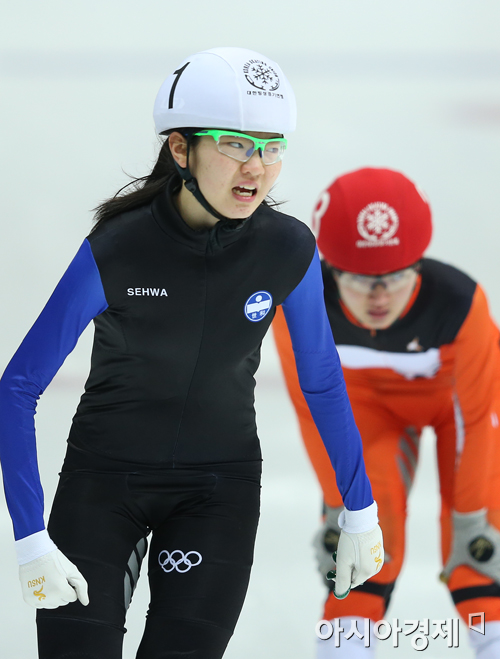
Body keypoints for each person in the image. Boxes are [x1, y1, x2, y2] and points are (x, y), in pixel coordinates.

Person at [0, 48, 383, 659]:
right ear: (181, 150)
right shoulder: (117, 250)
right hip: (104, 487)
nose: (257, 166)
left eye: (273, 146)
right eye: (235, 143)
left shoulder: (288, 250)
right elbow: (17, 387)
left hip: (219, 491)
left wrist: (359, 508)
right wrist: (28, 535)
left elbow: (320, 379)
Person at [273, 166, 500, 658]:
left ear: (418, 264)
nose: (379, 297)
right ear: (331, 269)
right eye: (359, 279)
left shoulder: (462, 303)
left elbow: (478, 419)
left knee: (482, 544)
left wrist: (472, 521)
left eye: (396, 277)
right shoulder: (300, 305)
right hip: (365, 406)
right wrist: (340, 508)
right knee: (364, 544)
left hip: (456, 406)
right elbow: (313, 411)